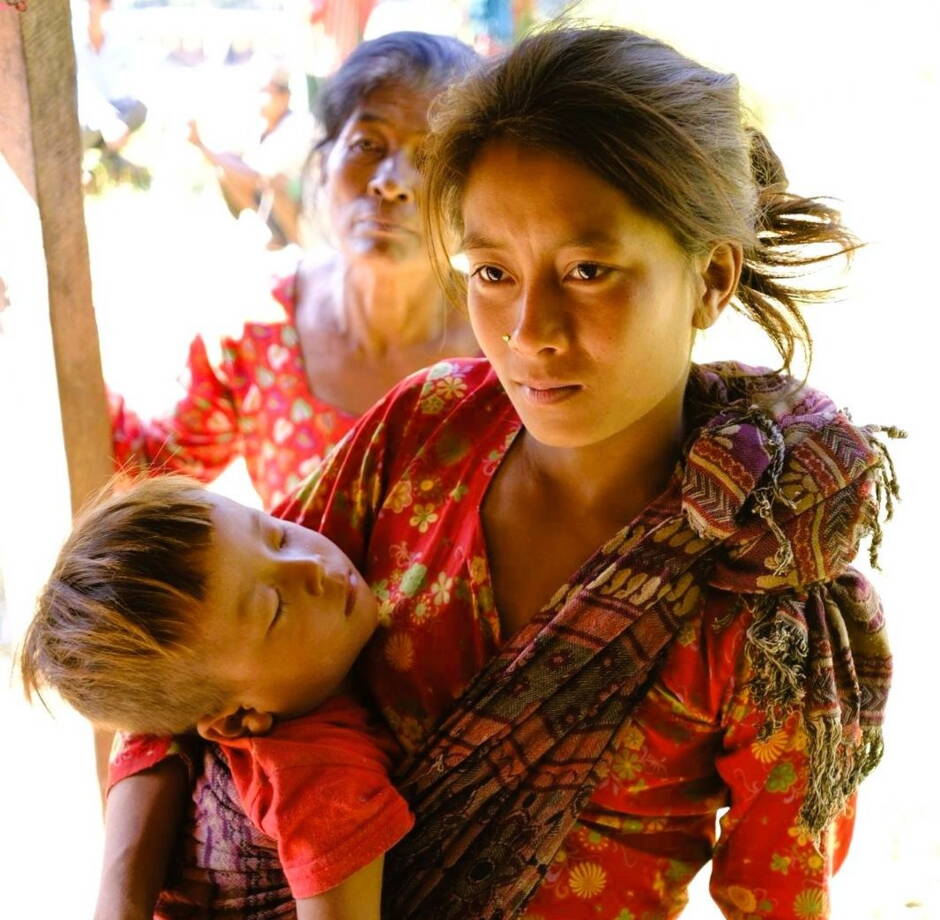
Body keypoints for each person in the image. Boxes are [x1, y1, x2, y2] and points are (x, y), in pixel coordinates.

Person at [87, 25, 899, 920]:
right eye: (491, 272)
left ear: (710, 278)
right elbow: (178, 651)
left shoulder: (768, 580)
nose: (529, 331)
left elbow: (779, 902)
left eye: (589, 270)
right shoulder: (427, 428)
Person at [110, 31, 480, 511]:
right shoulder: (258, 326)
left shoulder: (514, 345)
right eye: (368, 143)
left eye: (430, 157)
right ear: (325, 162)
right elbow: (154, 474)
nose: (391, 183)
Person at [20, 476, 413, 919]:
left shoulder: (205, 689)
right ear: (238, 720)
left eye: (277, 535)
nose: (311, 566)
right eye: (274, 608)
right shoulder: (322, 783)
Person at [187, 67, 315, 248]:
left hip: (308, 202)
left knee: (276, 182)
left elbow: (257, 176)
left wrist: (203, 146)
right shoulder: (259, 127)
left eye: (266, 92)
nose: (260, 99)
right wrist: (202, 147)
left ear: (284, 97)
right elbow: (227, 160)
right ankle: (276, 235)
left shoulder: (298, 125)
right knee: (225, 170)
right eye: (259, 92)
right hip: (274, 199)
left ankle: (300, 245)